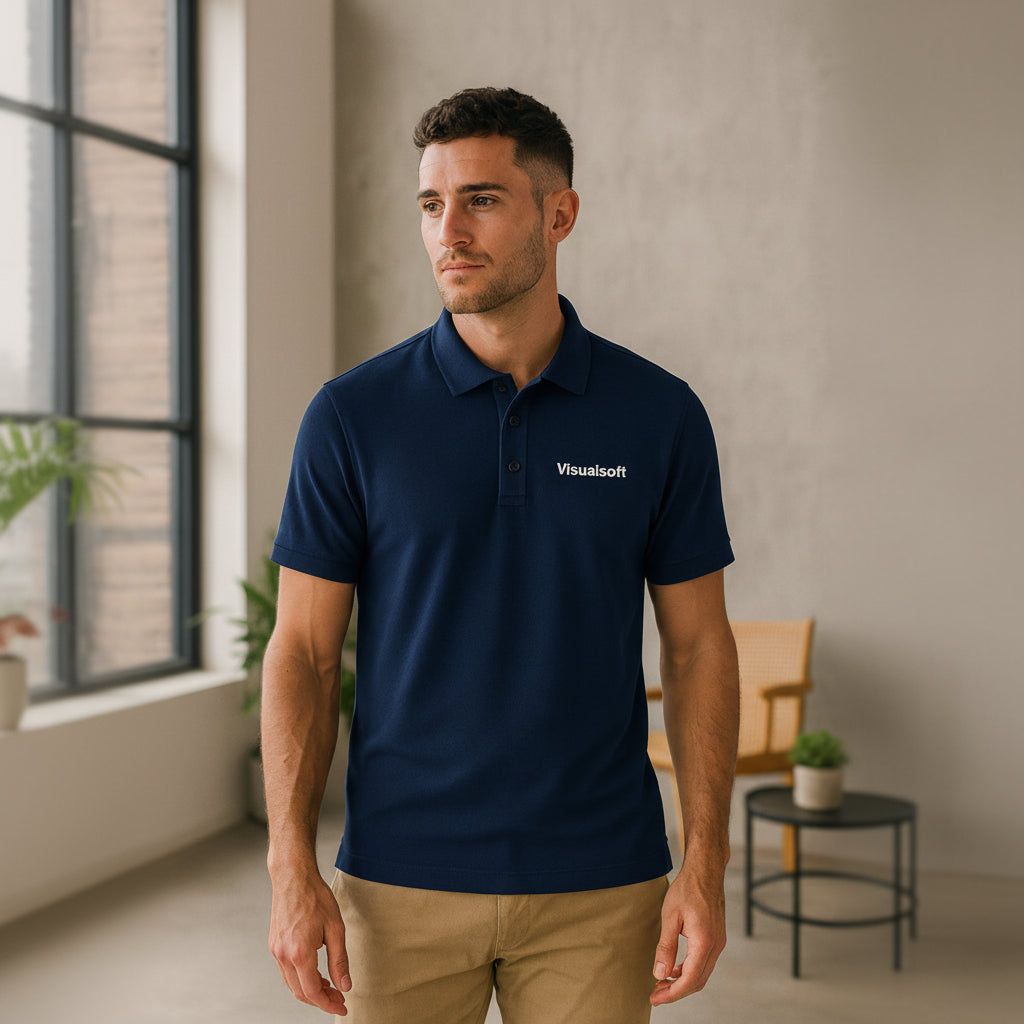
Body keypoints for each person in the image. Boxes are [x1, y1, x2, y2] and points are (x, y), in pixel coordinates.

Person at [262, 86, 740, 1023]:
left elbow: (697, 648)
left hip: (600, 888)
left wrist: (705, 869)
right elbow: (305, 653)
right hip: (400, 885)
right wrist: (290, 869)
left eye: (481, 199)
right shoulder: (352, 418)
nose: (450, 231)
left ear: (559, 214)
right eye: (432, 205)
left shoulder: (660, 415)